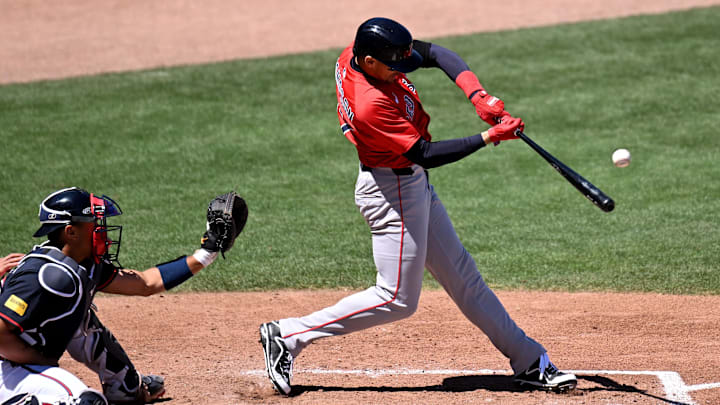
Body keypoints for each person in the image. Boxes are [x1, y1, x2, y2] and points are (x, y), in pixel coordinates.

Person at [259, 17, 577, 396]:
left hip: (406, 182)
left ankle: (529, 360)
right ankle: (288, 335)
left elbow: (437, 54)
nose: (402, 71)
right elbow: (424, 153)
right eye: (395, 66)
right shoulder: (369, 104)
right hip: (392, 191)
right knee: (395, 299)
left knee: (463, 277)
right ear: (371, 62)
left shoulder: (355, 54)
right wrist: (489, 136)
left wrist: (478, 96)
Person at [0, 187, 233, 404]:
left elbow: (145, 283)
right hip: (7, 369)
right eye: (95, 224)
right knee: (86, 402)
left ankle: (122, 385)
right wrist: (43, 362)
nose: (102, 230)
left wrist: (206, 253)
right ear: (71, 232)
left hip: (20, 364)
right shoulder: (47, 274)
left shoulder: (83, 265)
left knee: (82, 319)